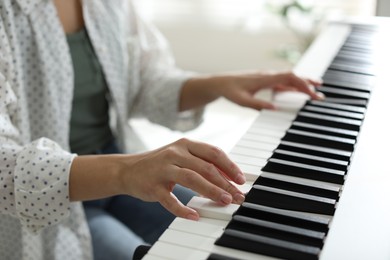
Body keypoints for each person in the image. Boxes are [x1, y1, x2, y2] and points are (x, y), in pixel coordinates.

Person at [0, 0, 323, 259]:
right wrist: (125, 172)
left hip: (116, 161)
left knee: (239, 223)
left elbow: (145, 81)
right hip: (50, 211)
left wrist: (219, 84)